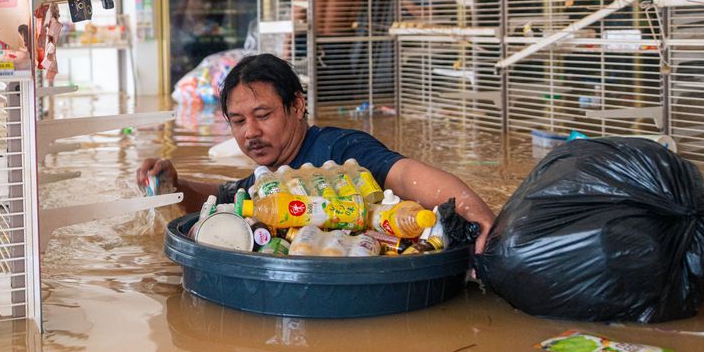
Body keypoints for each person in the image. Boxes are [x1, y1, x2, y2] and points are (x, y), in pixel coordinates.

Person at [139, 53, 496, 253]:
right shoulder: (271, 178)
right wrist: (175, 183)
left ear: (297, 105)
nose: (250, 132)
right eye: (237, 121)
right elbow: (227, 196)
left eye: (263, 115)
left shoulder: (340, 150)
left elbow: (404, 174)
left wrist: (471, 210)